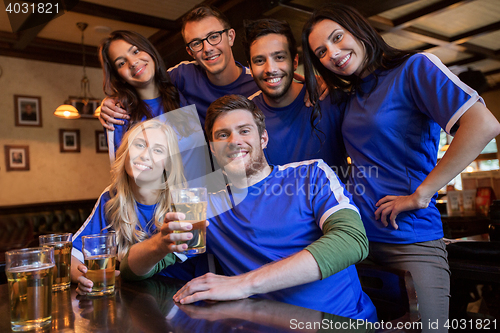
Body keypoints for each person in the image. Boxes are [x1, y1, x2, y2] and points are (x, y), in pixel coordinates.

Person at [302, 4, 500, 332]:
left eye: (337, 38)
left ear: (359, 29)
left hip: (409, 238)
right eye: (321, 51)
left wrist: (422, 194)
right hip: (359, 241)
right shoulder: (352, 94)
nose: (333, 53)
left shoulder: (414, 68)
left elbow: (483, 124)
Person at [121, 95, 377, 321]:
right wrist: (159, 245)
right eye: (223, 135)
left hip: (339, 323)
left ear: (263, 138)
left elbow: (352, 240)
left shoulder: (311, 174)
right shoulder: (201, 201)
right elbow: (133, 272)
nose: (234, 141)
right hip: (257, 326)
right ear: (212, 148)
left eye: (244, 131)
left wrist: (243, 284)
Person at [71, 119, 210, 295]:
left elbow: (139, 272)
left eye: (158, 150)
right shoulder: (111, 197)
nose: (145, 155)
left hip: (182, 305)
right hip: (131, 302)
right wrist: (85, 277)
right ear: (126, 152)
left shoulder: (189, 202)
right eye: (139, 144)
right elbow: (72, 256)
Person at [99, 5, 258, 130]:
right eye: (197, 43)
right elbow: (144, 81)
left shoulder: (258, 84)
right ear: (190, 51)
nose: (207, 48)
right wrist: (110, 102)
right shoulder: (182, 75)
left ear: (230, 37)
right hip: (202, 168)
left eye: (214, 36)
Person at [98, 30, 212, 187]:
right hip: (160, 209)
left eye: (136, 51)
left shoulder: (181, 92)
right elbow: (121, 181)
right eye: (121, 63)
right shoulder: (119, 115)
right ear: (118, 76)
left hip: (202, 203)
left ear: (149, 50)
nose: (133, 62)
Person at [242, 18, 349, 181]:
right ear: (250, 67)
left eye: (279, 57)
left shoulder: (331, 100)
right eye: (259, 60)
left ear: (294, 61)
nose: (270, 69)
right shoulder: (243, 117)